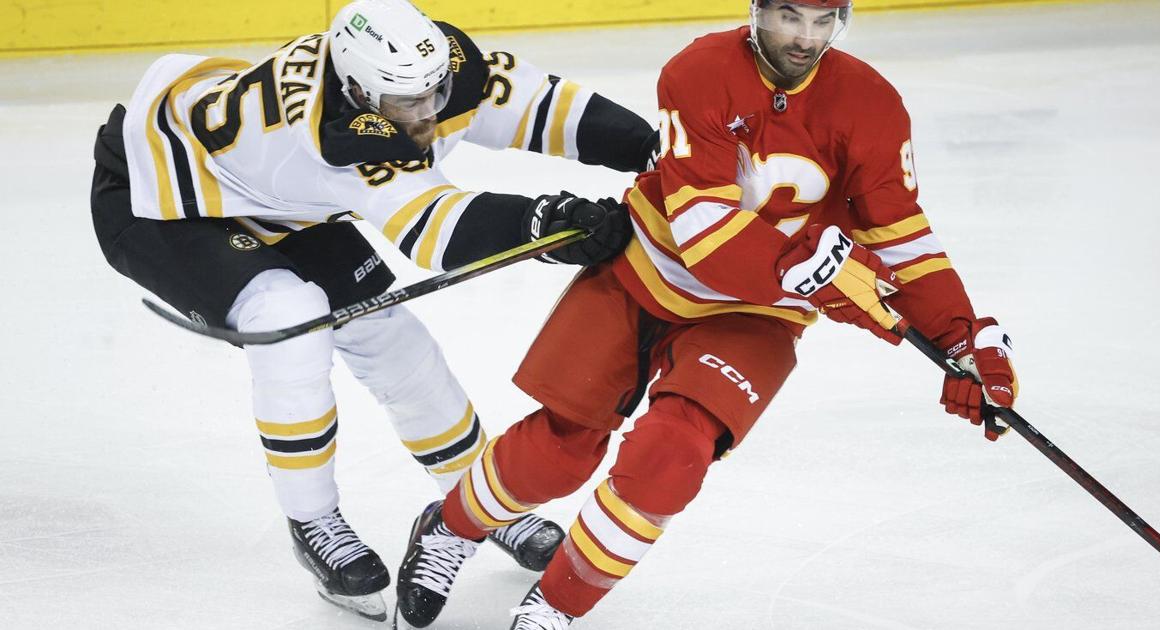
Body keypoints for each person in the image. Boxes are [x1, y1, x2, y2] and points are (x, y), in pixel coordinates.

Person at [390, 0, 1021, 628]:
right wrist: (806, 270)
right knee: (560, 450)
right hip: (644, 273)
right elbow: (704, 232)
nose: (805, 38)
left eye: (822, 21)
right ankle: (450, 527)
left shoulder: (871, 102)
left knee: (672, 456)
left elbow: (900, 234)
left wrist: (962, 340)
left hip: (758, 314)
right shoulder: (700, 71)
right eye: (789, 17)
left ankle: (555, 607)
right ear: (758, 10)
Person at [88, 0, 657, 621]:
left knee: (391, 338)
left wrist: (654, 150)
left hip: (272, 197)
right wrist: (544, 223)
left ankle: (475, 501)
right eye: (408, 104)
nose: (429, 113)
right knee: (289, 317)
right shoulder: (336, 140)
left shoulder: (423, 75)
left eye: (437, 93)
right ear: (358, 92)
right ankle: (312, 520)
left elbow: (539, 106)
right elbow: (435, 229)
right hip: (158, 198)